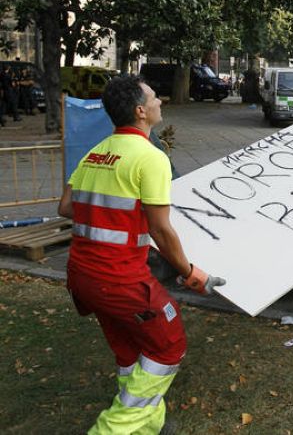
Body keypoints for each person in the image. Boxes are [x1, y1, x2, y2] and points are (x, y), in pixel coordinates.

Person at [58, 75, 225, 434]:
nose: (160, 100)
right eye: (153, 97)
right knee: (168, 346)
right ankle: (112, 428)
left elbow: (67, 207)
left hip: (82, 277)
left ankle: (150, 425)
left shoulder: (96, 152)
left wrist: (113, 216)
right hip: (118, 278)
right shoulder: (150, 157)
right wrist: (193, 273)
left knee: (130, 352)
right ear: (140, 111)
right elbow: (161, 231)